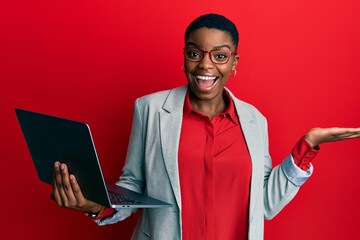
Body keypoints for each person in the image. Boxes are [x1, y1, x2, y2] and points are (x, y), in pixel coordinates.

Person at [52, 13, 360, 240]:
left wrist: (308, 144)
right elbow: (133, 186)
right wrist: (96, 205)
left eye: (220, 56)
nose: (206, 65)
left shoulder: (254, 121)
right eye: (195, 53)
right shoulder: (148, 109)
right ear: (185, 57)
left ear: (234, 63)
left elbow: (263, 203)